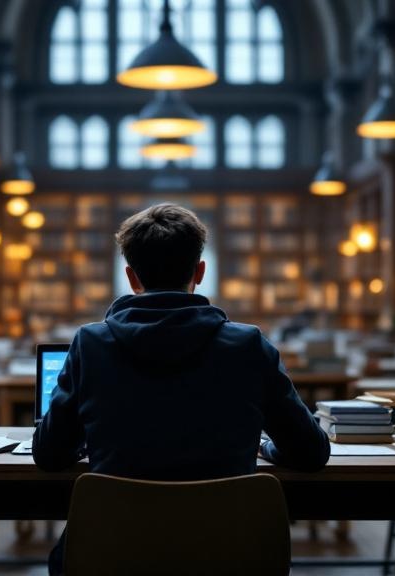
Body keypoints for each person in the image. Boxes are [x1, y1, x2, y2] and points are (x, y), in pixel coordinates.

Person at [33, 203, 330, 574]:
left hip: (114, 556)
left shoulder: (90, 344)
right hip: (232, 557)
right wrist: (267, 448)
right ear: (200, 271)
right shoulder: (249, 345)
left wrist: (95, 437)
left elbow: (48, 454)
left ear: (131, 277)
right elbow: (311, 453)